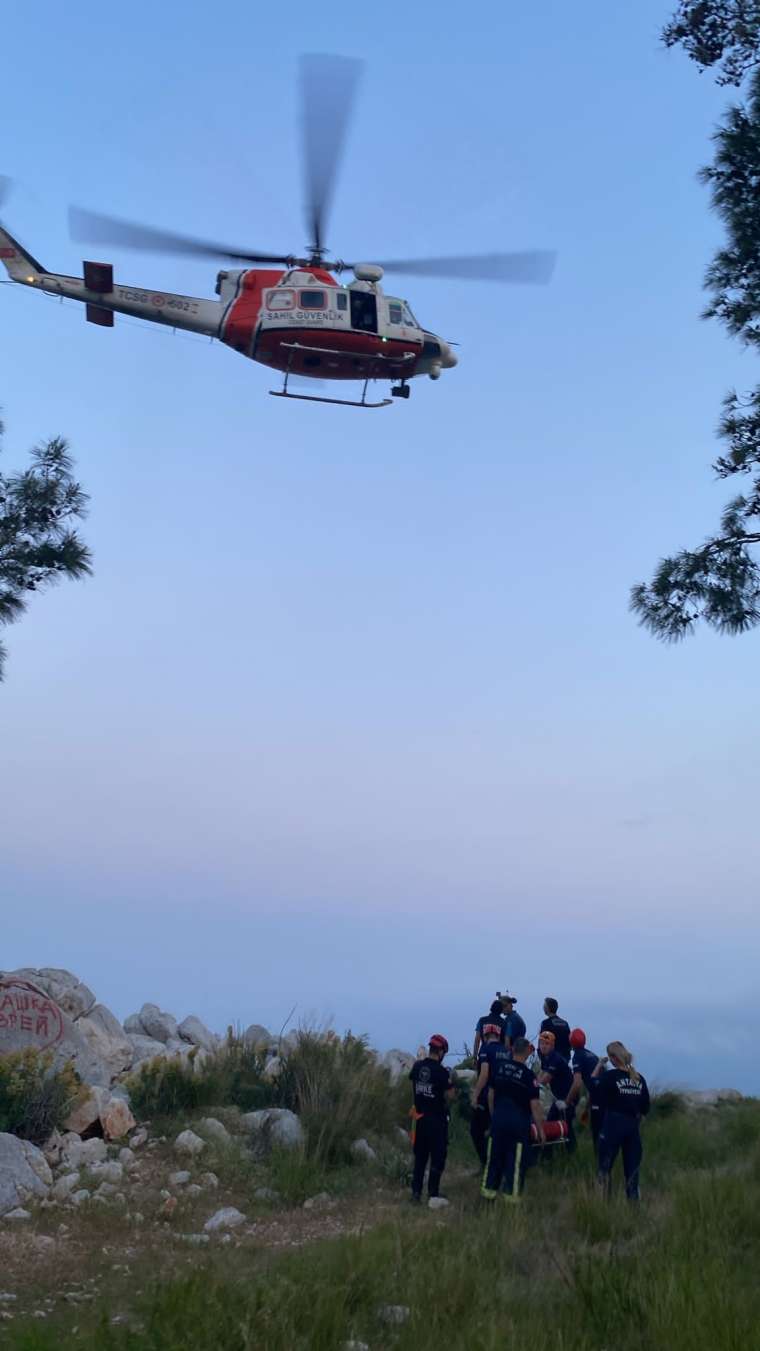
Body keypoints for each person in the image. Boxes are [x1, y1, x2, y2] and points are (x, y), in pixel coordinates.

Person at [481, 1036, 545, 1203]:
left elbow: (490, 1095)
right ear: (527, 1053)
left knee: (493, 1161)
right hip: (518, 1126)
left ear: (512, 1050)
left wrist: (494, 1116)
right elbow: (535, 1106)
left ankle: (488, 1199)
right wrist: (540, 1130)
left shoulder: (499, 1068)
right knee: (515, 1165)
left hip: (498, 1121)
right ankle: (511, 1203)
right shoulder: (529, 1075)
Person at [595, 1041, 650, 1201]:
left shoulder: (609, 1077)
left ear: (613, 1058)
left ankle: (603, 1206)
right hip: (632, 1127)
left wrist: (599, 1065)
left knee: (604, 1169)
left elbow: (594, 1087)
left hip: (613, 1125)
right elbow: (645, 1107)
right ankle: (633, 1208)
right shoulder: (639, 1079)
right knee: (632, 1172)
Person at [409, 1034, 456, 1202]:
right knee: (437, 1157)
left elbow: (413, 1088)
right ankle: (433, 1193)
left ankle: (415, 1193)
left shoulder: (417, 1066)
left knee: (420, 1158)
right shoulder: (442, 1072)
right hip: (437, 1120)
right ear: (441, 1051)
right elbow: (451, 1095)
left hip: (419, 1119)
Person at [469, 1022, 502, 1168]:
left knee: (476, 1131)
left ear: (485, 1036)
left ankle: (486, 1164)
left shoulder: (485, 1050)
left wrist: (475, 1094)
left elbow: (484, 1074)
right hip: (503, 1097)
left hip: (487, 1095)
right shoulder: (506, 1051)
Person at [537, 1030, 576, 1148]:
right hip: (559, 1097)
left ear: (553, 1045)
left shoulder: (555, 1058)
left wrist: (531, 1084)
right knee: (555, 1123)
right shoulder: (546, 1058)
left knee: (564, 1124)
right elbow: (541, 1074)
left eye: (546, 1044)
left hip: (567, 1097)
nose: (543, 1046)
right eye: (541, 1043)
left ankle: (566, 1153)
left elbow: (545, 1080)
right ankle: (553, 1153)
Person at [567, 1027, 602, 1153]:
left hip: (598, 1098)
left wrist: (567, 1101)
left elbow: (577, 1083)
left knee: (597, 1132)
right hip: (605, 1095)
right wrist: (588, 1106)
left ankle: (601, 1166)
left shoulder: (577, 1057)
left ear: (571, 1043)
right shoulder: (592, 1055)